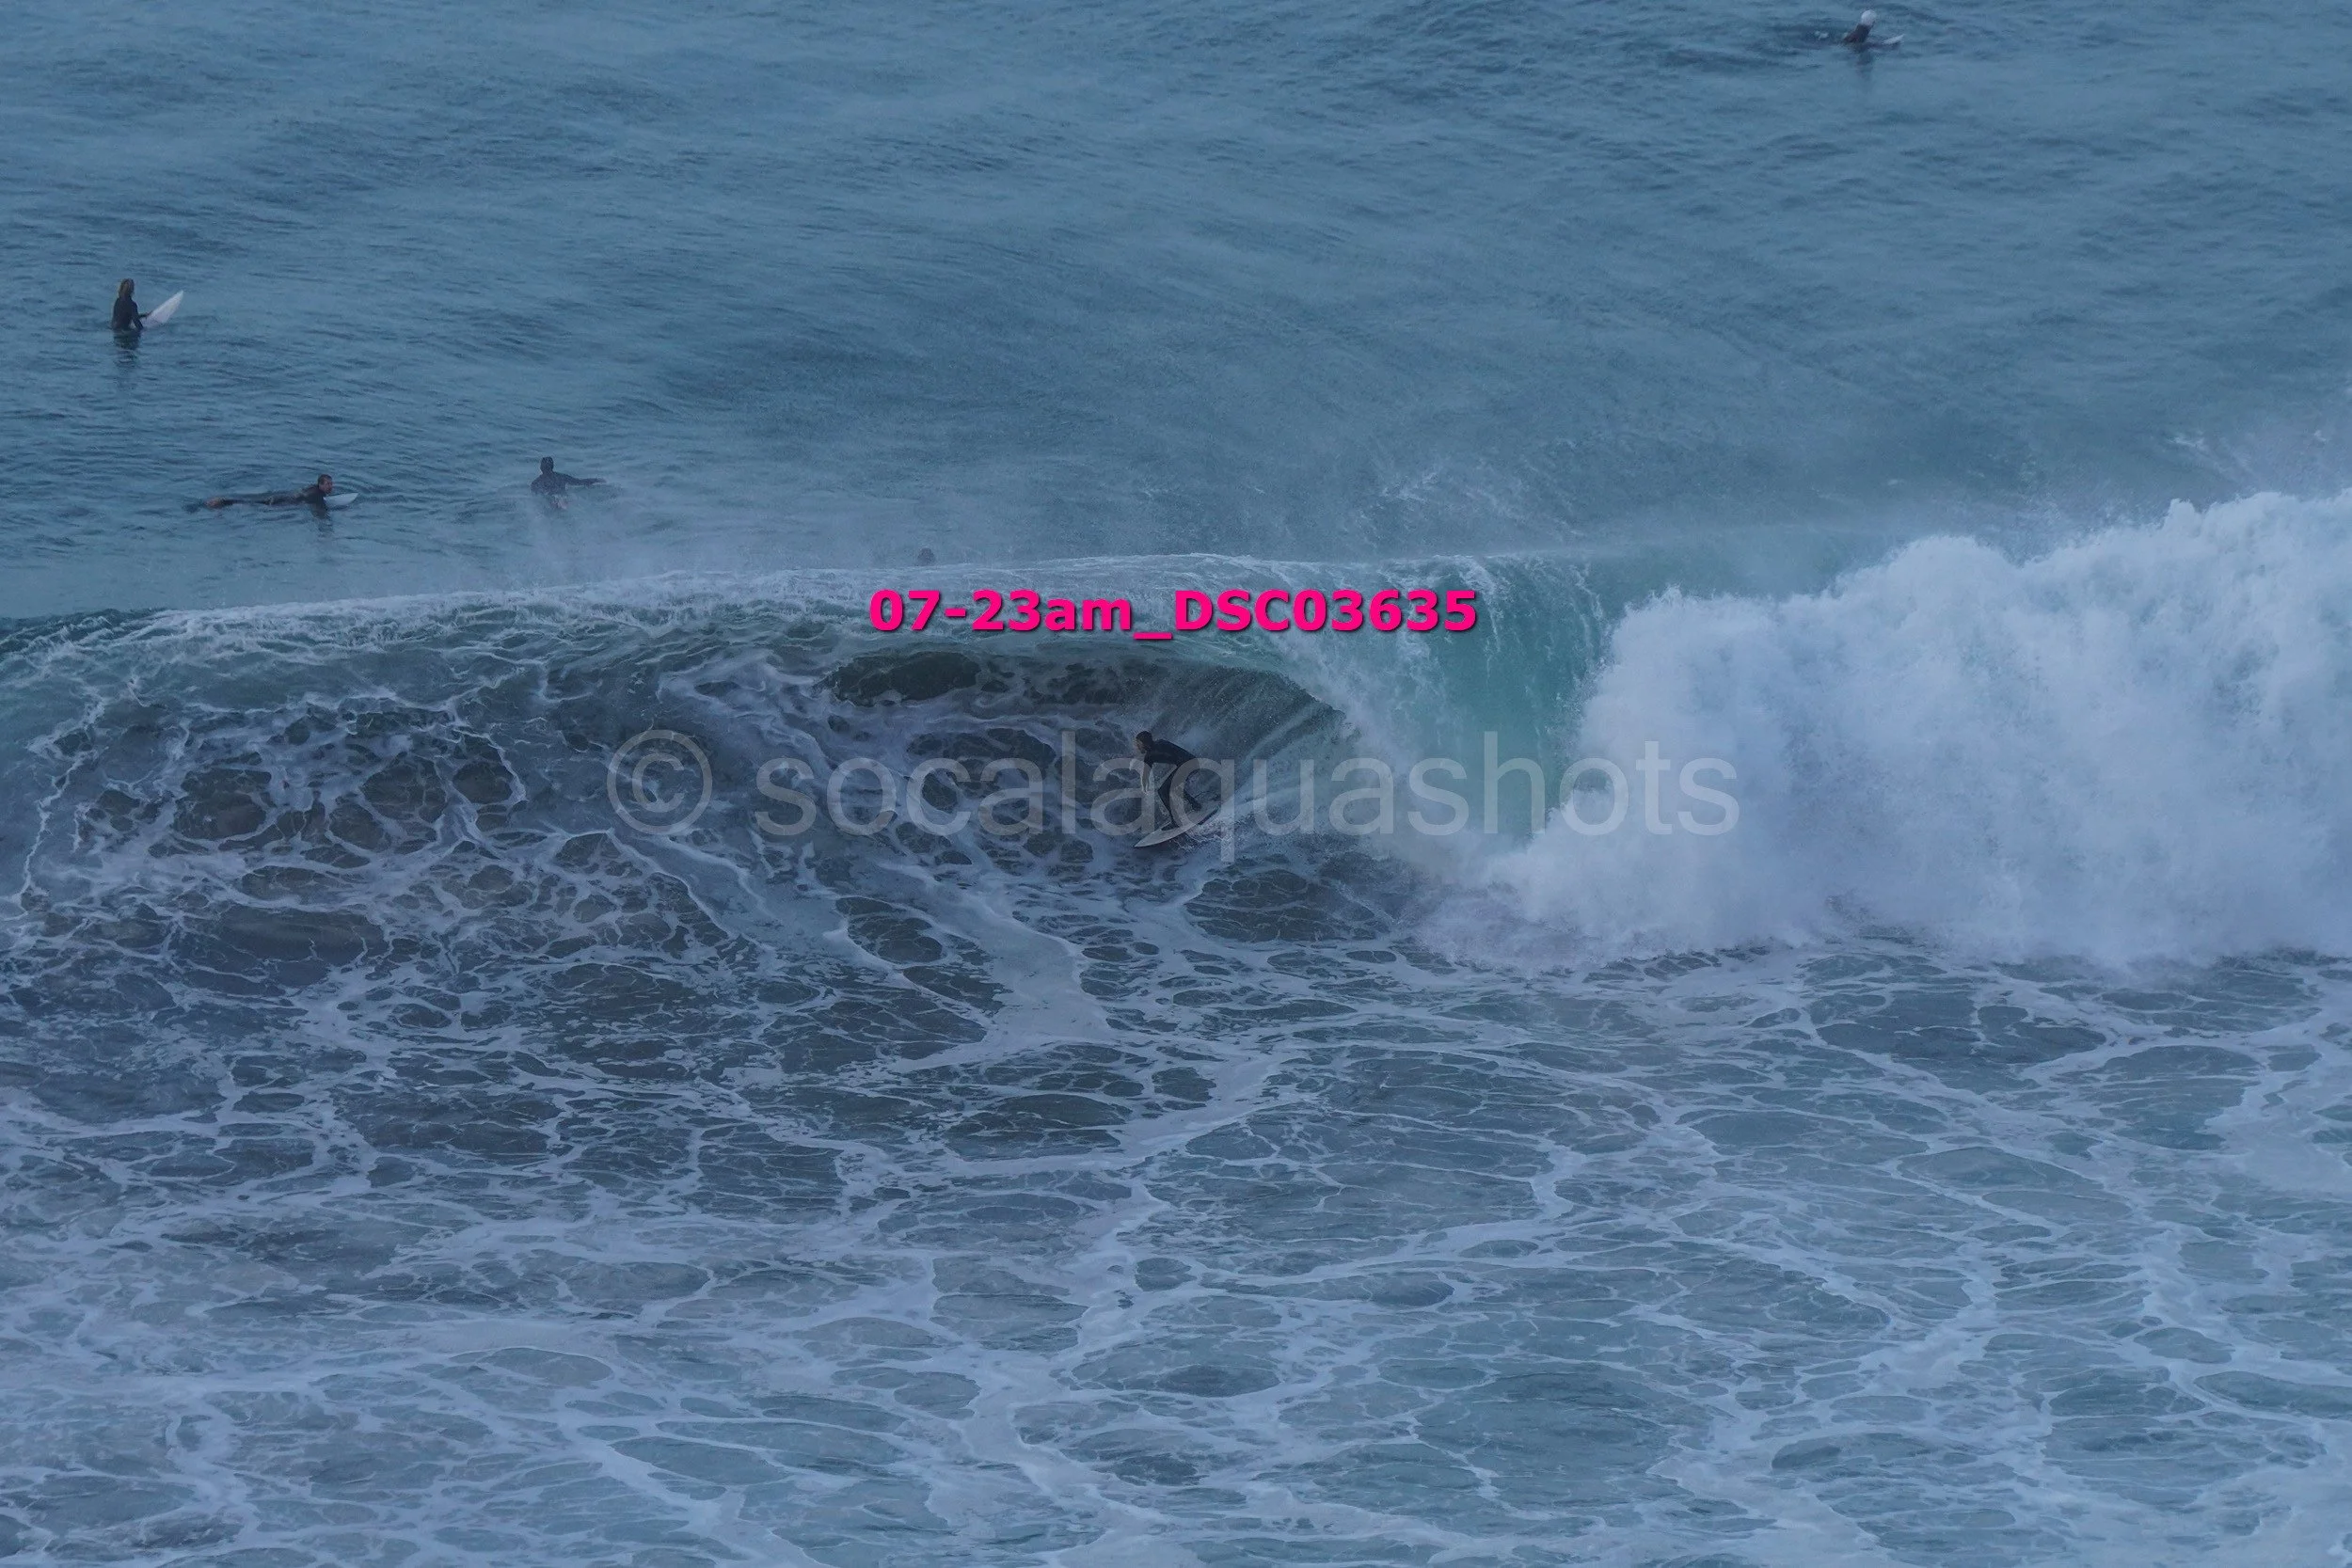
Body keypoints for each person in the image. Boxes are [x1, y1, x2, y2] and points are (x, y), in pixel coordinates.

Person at [1134, 731, 1203, 832]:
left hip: (1188, 765)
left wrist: (1144, 785)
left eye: (1138, 744)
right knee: (1171, 787)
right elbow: (1145, 772)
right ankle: (1195, 804)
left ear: (1145, 744)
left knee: (1163, 791)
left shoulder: (1153, 752)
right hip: (1192, 762)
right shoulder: (1159, 745)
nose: (1137, 747)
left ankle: (1176, 821)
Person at [204, 474, 334, 510]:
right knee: (250, 503)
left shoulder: (312, 488)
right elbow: (319, 512)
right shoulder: (317, 495)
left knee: (251, 502)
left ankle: (223, 501)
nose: (330, 486)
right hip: (280, 502)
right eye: (327, 484)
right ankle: (222, 502)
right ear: (320, 485)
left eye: (331, 483)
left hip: (280, 498)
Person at [532, 457, 603, 503]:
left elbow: (537, 499)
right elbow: (580, 482)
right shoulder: (562, 477)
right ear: (552, 466)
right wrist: (596, 480)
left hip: (551, 503)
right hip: (564, 501)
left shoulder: (536, 483)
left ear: (541, 468)